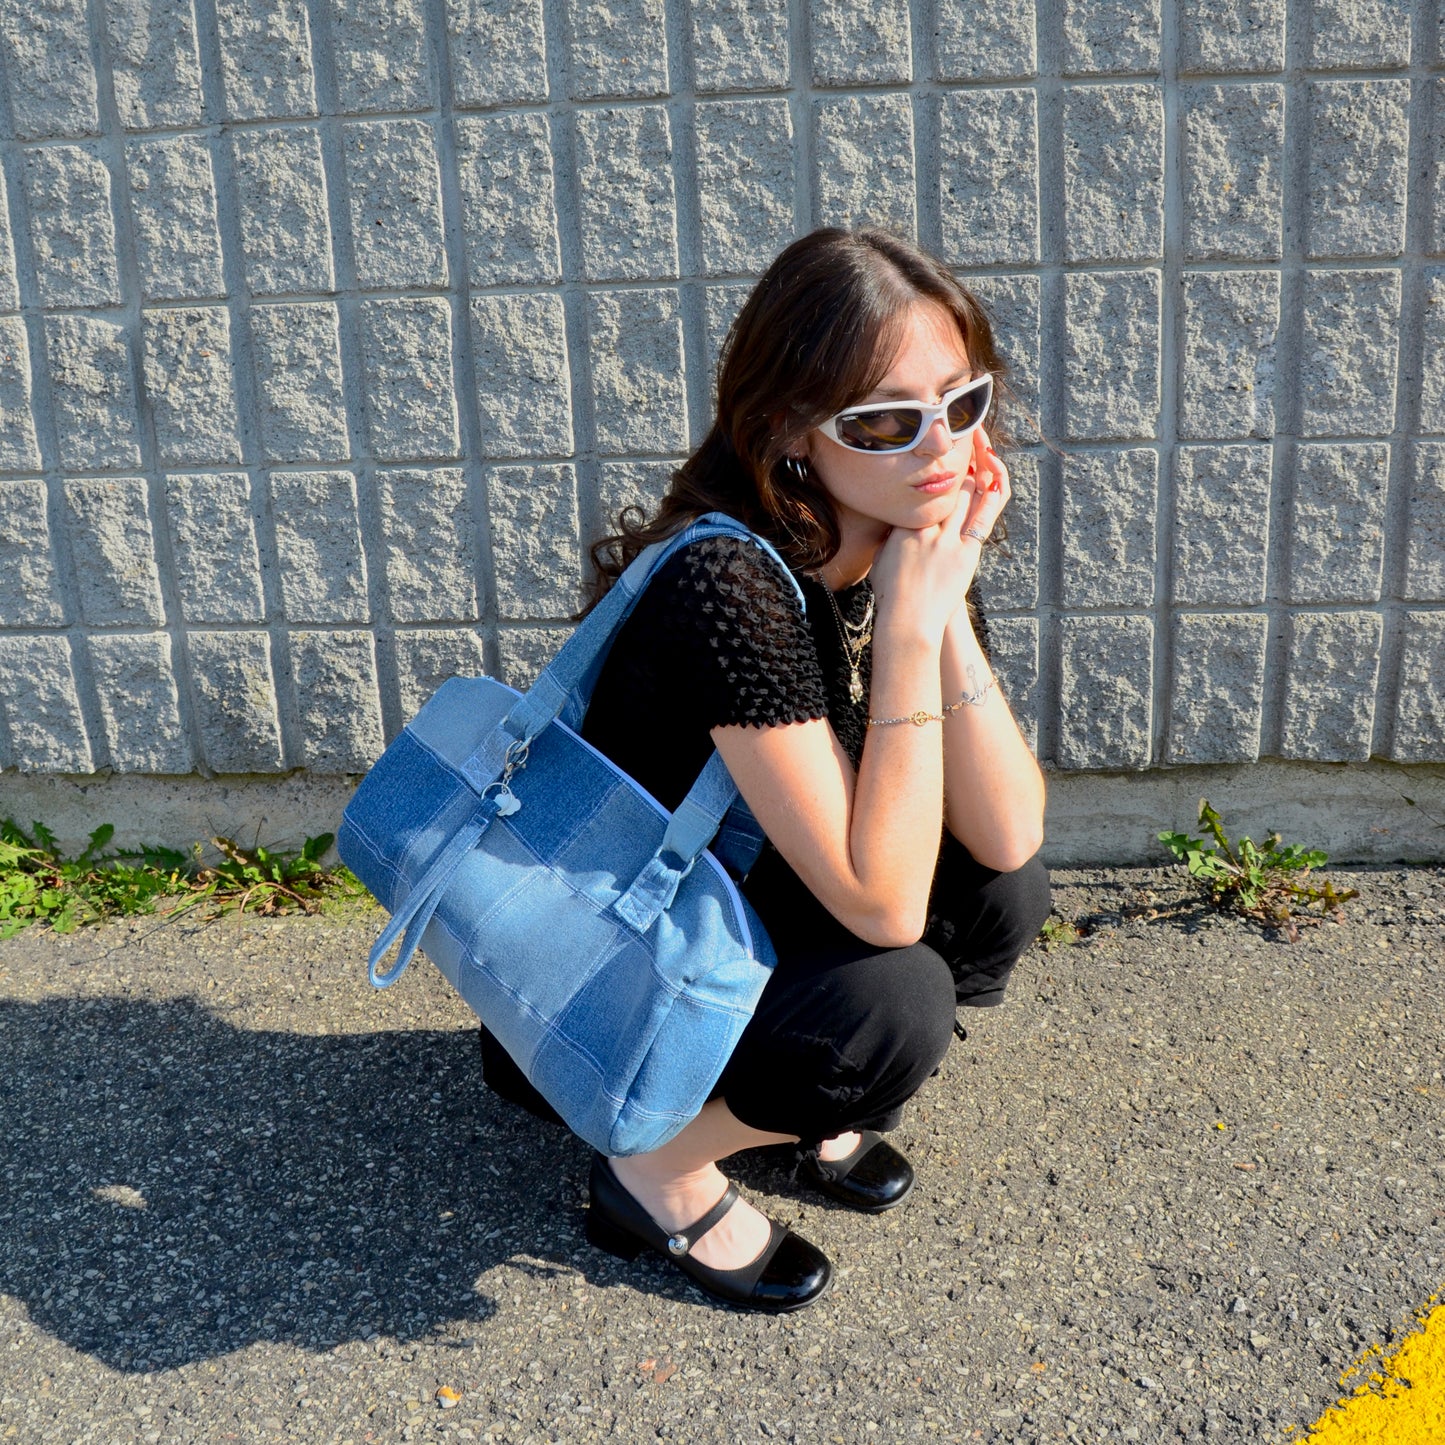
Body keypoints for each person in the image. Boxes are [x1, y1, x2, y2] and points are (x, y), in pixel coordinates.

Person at [479, 227, 1050, 1312]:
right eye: (885, 419)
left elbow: (1009, 833)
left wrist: (937, 622)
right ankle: (654, 1165)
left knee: (998, 889)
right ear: (791, 429)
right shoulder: (729, 589)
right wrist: (910, 626)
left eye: (962, 404)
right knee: (893, 998)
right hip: (604, 986)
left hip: (735, 919)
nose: (940, 450)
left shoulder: (891, 532)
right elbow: (881, 906)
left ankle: (779, 1099)